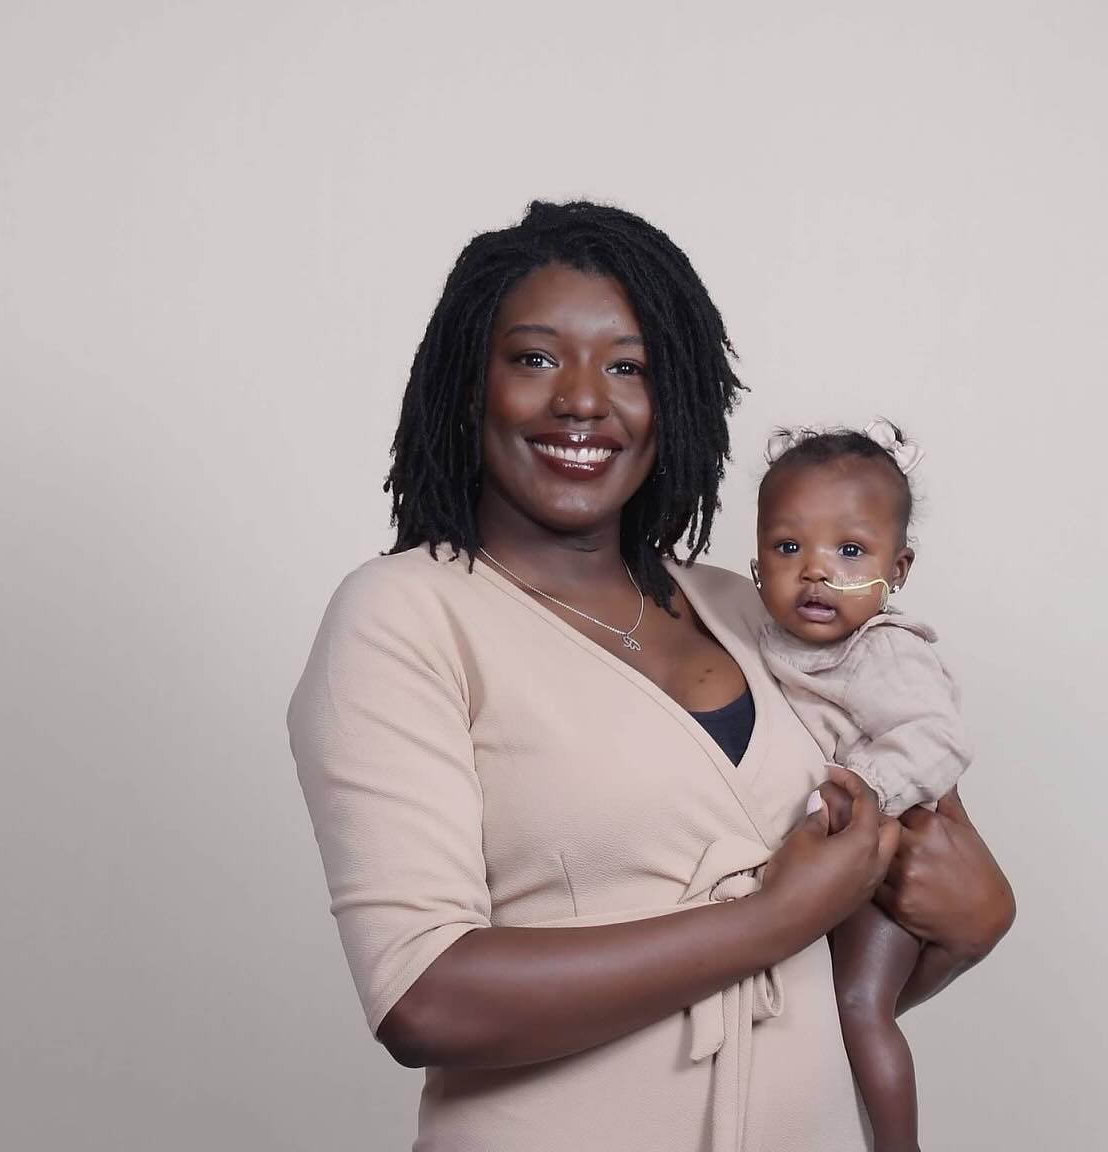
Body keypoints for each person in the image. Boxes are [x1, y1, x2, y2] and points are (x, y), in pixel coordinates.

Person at [287, 201, 1013, 1152]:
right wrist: (770, 919)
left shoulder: (754, 610)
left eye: (627, 365)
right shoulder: (404, 615)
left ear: (675, 397)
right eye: (536, 358)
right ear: (470, 387)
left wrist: (975, 918)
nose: (584, 400)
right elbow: (423, 997)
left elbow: (834, 973)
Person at [751, 422, 971, 1152]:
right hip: (832, 867)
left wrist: (863, 793)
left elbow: (938, 741)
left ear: (897, 568)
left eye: (850, 552)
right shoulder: (760, 637)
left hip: (887, 855)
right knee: (811, 1017)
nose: (817, 572)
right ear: (756, 563)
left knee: (856, 1005)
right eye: (789, 548)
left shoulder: (884, 651)